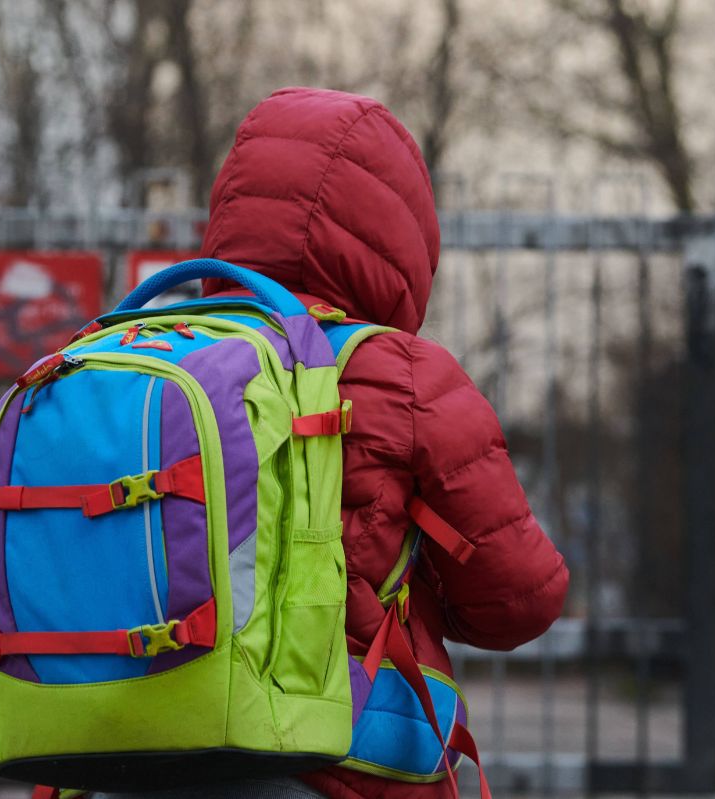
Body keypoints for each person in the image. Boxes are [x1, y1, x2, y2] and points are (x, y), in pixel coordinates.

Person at [96, 86, 569, 799]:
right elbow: (519, 600)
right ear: (399, 236)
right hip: (333, 768)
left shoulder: (143, 357)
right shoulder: (403, 377)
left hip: (122, 753)